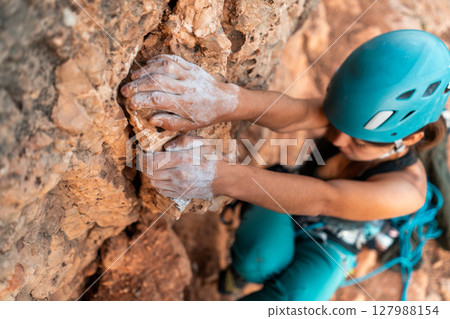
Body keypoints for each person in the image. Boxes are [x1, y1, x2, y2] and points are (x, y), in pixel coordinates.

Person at [120, 30, 450, 300]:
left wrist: (217, 177)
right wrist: (221, 99)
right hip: (291, 201)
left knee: (299, 298)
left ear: (407, 140)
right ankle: (240, 271)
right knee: (255, 260)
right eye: (338, 127)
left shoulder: (408, 191)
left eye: (358, 143)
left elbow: (326, 198)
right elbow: (298, 113)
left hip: (339, 235)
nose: (337, 141)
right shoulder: (352, 112)